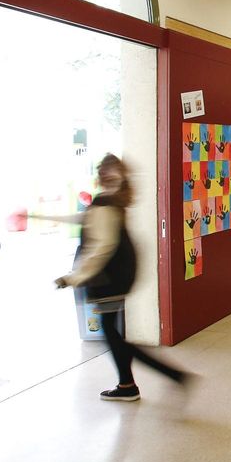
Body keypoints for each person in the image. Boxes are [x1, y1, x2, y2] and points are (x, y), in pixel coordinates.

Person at [55, 154, 189, 402]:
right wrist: (39, 217)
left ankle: (172, 375)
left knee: (112, 335)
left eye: (104, 170)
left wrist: (73, 278)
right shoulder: (114, 199)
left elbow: (103, 246)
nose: (102, 174)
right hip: (120, 273)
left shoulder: (106, 201)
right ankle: (127, 384)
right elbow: (86, 220)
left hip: (109, 276)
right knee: (114, 333)